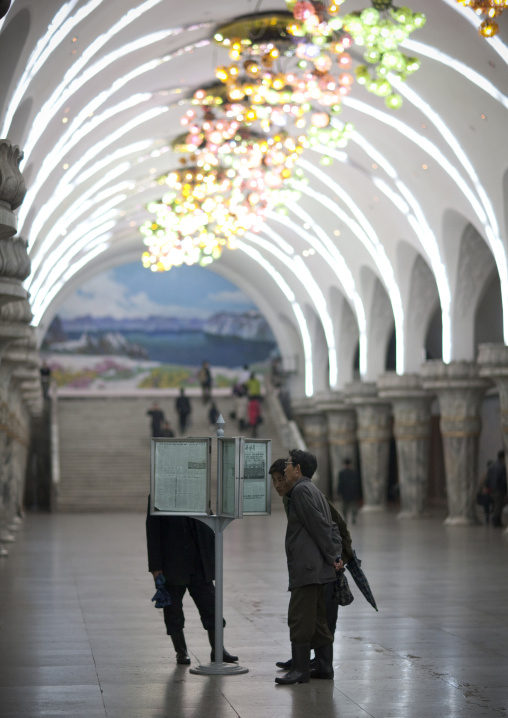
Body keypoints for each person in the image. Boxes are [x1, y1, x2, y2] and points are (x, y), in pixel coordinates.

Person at [269, 459, 353, 673]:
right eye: (275, 481)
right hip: (319, 562)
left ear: (294, 473)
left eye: (282, 478)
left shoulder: (303, 493)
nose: (278, 484)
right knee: (314, 616)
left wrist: (340, 557)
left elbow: (334, 525)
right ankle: (310, 662)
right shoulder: (292, 497)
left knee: (319, 616)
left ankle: (313, 664)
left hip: (323, 565)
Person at [146, 497, 238, 665]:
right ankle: (181, 652)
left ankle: (218, 650)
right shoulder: (160, 492)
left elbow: (209, 523)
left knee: (211, 605)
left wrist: (212, 558)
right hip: (172, 562)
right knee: (172, 609)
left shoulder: (198, 486)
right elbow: (152, 531)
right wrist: (155, 567)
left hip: (199, 560)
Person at [486, 450, 507, 527]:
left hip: (492, 489)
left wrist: (488, 487)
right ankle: (496, 521)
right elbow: (503, 479)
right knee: (498, 506)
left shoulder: (492, 466)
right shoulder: (502, 466)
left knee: (495, 505)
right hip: (499, 489)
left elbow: (488, 479)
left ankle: (496, 520)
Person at [337, 458, 362, 525]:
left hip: (344, 493)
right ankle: (353, 518)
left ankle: (345, 518)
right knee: (353, 506)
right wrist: (358, 492)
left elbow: (340, 483)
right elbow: (357, 483)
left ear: (344, 464)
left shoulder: (341, 473)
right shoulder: (354, 472)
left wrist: (339, 492)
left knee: (344, 507)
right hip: (353, 492)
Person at [477, 460, 493, 524]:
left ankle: (487, 517)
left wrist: (480, 491)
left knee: (487, 506)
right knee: (490, 506)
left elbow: (481, 484)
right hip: (490, 492)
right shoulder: (487, 474)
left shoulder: (485, 474)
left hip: (487, 492)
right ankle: (489, 516)